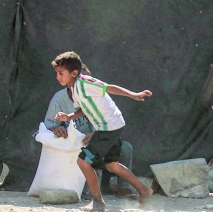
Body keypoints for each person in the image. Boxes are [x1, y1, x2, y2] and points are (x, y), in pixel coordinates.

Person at [50, 51, 154, 211]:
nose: (58, 76)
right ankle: (143, 190)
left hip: (109, 127)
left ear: (74, 73)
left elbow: (108, 88)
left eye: (60, 73)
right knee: (112, 165)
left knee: (82, 161)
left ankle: (98, 202)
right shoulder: (73, 89)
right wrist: (68, 116)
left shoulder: (85, 82)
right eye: (56, 73)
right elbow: (83, 110)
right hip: (111, 125)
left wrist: (133, 94)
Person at [44, 80, 136, 198]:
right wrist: (55, 130)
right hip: (73, 150)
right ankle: (91, 193)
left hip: (98, 144)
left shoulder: (96, 96)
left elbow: (111, 124)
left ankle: (123, 187)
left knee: (125, 148)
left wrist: (96, 134)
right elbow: (47, 128)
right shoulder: (59, 99)